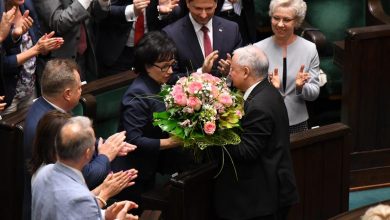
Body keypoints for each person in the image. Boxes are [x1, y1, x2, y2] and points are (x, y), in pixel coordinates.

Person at [23, 58, 135, 220]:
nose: (81, 90)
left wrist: (104, 145)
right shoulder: (53, 126)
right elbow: (82, 184)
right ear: (67, 94)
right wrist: (106, 157)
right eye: (79, 87)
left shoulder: (47, 109)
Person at [213, 45, 298, 220]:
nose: (229, 74)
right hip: (269, 187)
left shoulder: (259, 106)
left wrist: (213, 132)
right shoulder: (266, 90)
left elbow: (246, 152)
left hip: (260, 199)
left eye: (233, 70)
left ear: (245, 71)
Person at [111, 31, 189, 213]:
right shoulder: (137, 95)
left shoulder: (160, 82)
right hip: (131, 173)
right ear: (147, 66)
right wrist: (170, 142)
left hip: (150, 166)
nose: (170, 71)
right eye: (164, 67)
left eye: (172, 64)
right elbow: (133, 140)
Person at [31, 116, 139, 220]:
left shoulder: (43, 172)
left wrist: (105, 214)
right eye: (94, 144)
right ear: (88, 153)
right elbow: (78, 203)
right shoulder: (81, 199)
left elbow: (69, 209)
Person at [254, 0, 320, 134]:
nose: (279, 24)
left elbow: (314, 94)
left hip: (298, 121)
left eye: (286, 20)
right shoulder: (257, 49)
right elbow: (251, 92)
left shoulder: (309, 49)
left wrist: (301, 87)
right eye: (276, 18)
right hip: (266, 120)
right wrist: (271, 89)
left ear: (297, 21)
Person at [0, 0, 64, 116]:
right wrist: (35, 49)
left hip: (30, 88)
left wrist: (44, 47)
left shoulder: (27, 5)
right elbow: (3, 63)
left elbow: (35, 42)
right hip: (9, 94)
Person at [96, 0, 181, 77]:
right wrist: (132, 10)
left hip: (150, 50)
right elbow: (102, 10)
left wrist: (163, 14)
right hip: (118, 51)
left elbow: (176, 10)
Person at [163, 0, 242, 81]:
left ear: (216, 4)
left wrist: (230, 72)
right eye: (198, 9)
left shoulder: (231, 29)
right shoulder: (171, 34)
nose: (203, 15)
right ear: (187, 3)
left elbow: (242, 72)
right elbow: (169, 77)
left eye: (209, 8)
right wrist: (201, 72)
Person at [32, 0, 110, 81]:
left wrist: (103, 2)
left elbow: (98, 15)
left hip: (87, 56)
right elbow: (58, 22)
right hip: (60, 62)